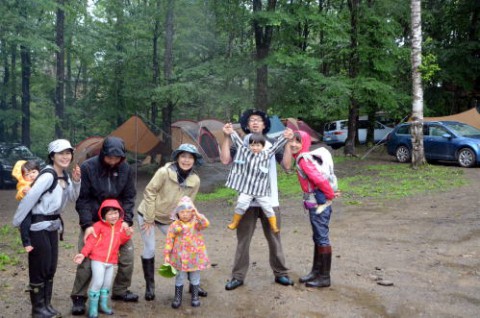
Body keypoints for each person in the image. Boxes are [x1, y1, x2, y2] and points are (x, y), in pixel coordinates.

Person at [220, 109, 294, 290]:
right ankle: (237, 276)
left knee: (274, 237)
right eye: (252, 120)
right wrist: (226, 137)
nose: (255, 123)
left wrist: (288, 142)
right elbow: (225, 160)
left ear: (264, 125)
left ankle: (281, 274)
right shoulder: (241, 143)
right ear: (247, 124)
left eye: (259, 120)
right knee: (243, 240)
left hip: (270, 199)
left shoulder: (270, 144)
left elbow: (286, 165)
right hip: (246, 201)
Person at [12, 139, 81, 318]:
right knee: (39, 267)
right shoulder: (47, 176)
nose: (66, 157)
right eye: (61, 153)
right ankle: (37, 309)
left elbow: (73, 197)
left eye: (68, 153)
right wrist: (19, 223)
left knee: (50, 268)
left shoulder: (64, 176)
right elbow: (29, 199)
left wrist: (77, 180)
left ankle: (46, 306)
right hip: (38, 226)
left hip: (52, 226)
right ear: (52, 156)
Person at [70, 136, 137, 316]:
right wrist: (87, 224)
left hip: (117, 221)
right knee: (86, 260)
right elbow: (82, 198)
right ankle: (79, 297)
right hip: (93, 221)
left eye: (117, 158)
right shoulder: (88, 167)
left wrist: (127, 220)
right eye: (110, 158)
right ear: (103, 154)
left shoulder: (125, 169)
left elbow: (129, 197)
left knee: (127, 257)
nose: (113, 161)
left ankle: (120, 290)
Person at [137, 143, 207, 301]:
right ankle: (150, 287)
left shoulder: (195, 180)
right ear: (177, 157)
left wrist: (187, 223)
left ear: (194, 161)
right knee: (150, 248)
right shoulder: (164, 172)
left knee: (186, 245)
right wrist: (149, 217)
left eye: (190, 158)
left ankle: (193, 283)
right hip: (148, 214)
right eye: (183, 156)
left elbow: (188, 203)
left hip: (168, 219)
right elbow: (149, 192)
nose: (186, 160)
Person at [288, 130, 336, 288]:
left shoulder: (304, 160)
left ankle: (324, 277)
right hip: (316, 203)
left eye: (298, 141)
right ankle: (316, 271)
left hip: (319, 204)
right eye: (292, 141)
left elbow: (320, 180)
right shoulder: (305, 158)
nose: (294, 144)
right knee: (318, 236)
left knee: (321, 237)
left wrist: (329, 195)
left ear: (305, 143)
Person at [223, 124, 290, 233]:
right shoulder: (245, 152)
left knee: (268, 208)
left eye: (258, 145)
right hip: (247, 190)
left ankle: (273, 225)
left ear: (262, 146)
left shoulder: (267, 154)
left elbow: (276, 146)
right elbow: (238, 142)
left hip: (261, 191)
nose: (255, 147)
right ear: (249, 146)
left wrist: (285, 137)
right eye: (252, 145)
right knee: (240, 204)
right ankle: (235, 222)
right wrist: (231, 132)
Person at [73, 199, 133, 318]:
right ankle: (93, 308)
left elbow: (120, 241)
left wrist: (127, 235)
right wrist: (83, 254)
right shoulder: (98, 226)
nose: (113, 216)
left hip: (111, 261)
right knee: (98, 282)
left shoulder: (119, 226)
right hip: (98, 260)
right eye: (110, 214)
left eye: (115, 213)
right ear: (103, 214)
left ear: (120, 213)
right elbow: (90, 242)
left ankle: (103, 305)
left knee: (106, 284)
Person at [164, 196, 210, 309]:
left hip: (195, 258)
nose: (184, 214)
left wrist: (197, 213)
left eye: (188, 212)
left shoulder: (196, 223)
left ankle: (195, 297)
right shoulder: (175, 225)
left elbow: (206, 224)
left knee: (195, 277)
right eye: (182, 212)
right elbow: (169, 240)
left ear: (192, 212)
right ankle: (178, 297)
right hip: (179, 257)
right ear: (177, 213)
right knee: (179, 277)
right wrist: (166, 255)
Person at [12, 160, 41, 253]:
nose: (31, 175)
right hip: (28, 210)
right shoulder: (24, 185)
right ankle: (26, 243)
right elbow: (19, 194)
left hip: (40, 210)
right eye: (28, 174)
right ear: (23, 176)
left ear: (39, 172)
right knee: (25, 223)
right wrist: (23, 192)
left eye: (34, 172)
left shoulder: (43, 181)